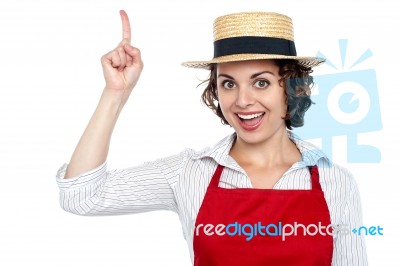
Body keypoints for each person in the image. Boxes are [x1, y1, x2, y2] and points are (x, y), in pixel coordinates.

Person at [56, 10, 368, 265]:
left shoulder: (335, 181)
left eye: (261, 83)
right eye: (229, 84)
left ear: (290, 89)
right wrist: (116, 94)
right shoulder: (189, 172)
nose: (242, 100)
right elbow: (81, 196)